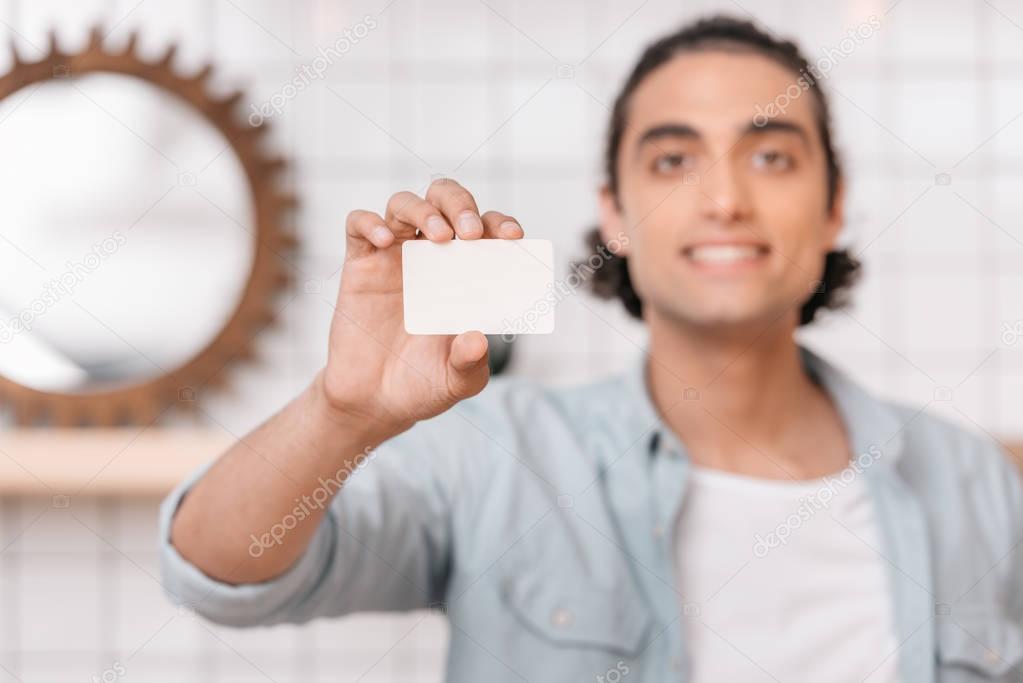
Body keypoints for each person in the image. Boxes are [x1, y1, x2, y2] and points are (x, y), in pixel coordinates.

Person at [160, 15, 1023, 682]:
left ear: (833, 206)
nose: (723, 199)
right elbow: (215, 573)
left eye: (769, 155)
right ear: (613, 213)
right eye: (673, 159)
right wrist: (341, 412)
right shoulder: (499, 455)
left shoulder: (971, 480)